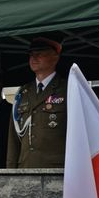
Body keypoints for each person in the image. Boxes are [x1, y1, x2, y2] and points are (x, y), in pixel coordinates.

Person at [7, 37, 67, 168]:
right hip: (25, 168)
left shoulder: (67, 89)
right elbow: (13, 139)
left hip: (57, 169)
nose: (34, 58)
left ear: (55, 58)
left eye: (40, 54)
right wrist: (10, 171)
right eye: (31, 54)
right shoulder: (23, 93)